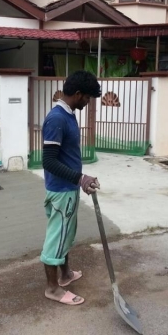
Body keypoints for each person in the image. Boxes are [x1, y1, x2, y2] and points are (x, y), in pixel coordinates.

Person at [40, 70, 101, 306]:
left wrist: (81, 179)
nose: (87, 103)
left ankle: (65, 275)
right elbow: (49, 161)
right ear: (77, 94)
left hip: (69, 187)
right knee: (57, 238)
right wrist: (80, 177)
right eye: (87, 98)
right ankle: (52, 288)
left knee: (66, 233)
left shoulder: (68, 114)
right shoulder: (56, 119)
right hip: (61, 190)